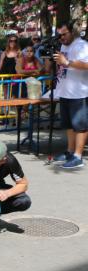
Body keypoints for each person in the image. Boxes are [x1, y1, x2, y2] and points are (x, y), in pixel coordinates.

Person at [51, 20, 88, 169]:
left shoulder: (82, 46)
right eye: (59, 36)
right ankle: (70, 151)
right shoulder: (64, 45)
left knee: (80, 126)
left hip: (79, 92)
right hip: (65, 91)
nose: (61, 38)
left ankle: (78, 157)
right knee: (69, 125)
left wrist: (66, 62)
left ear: (73, 32)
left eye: (64, 34)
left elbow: (86, 64)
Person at [0, 34, 21, 99]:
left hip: (15, 76)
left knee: (14, 94)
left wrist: (17, 60)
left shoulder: (19, 53)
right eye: (11, 41)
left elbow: (20, 65)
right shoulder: (4, 53)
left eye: (15, 41)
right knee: (6, 95)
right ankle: (7, 108)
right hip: (5, 75)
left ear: (17, 42)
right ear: (8, 42)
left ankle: (13, 108)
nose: (13, 42)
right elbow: (0, 65)